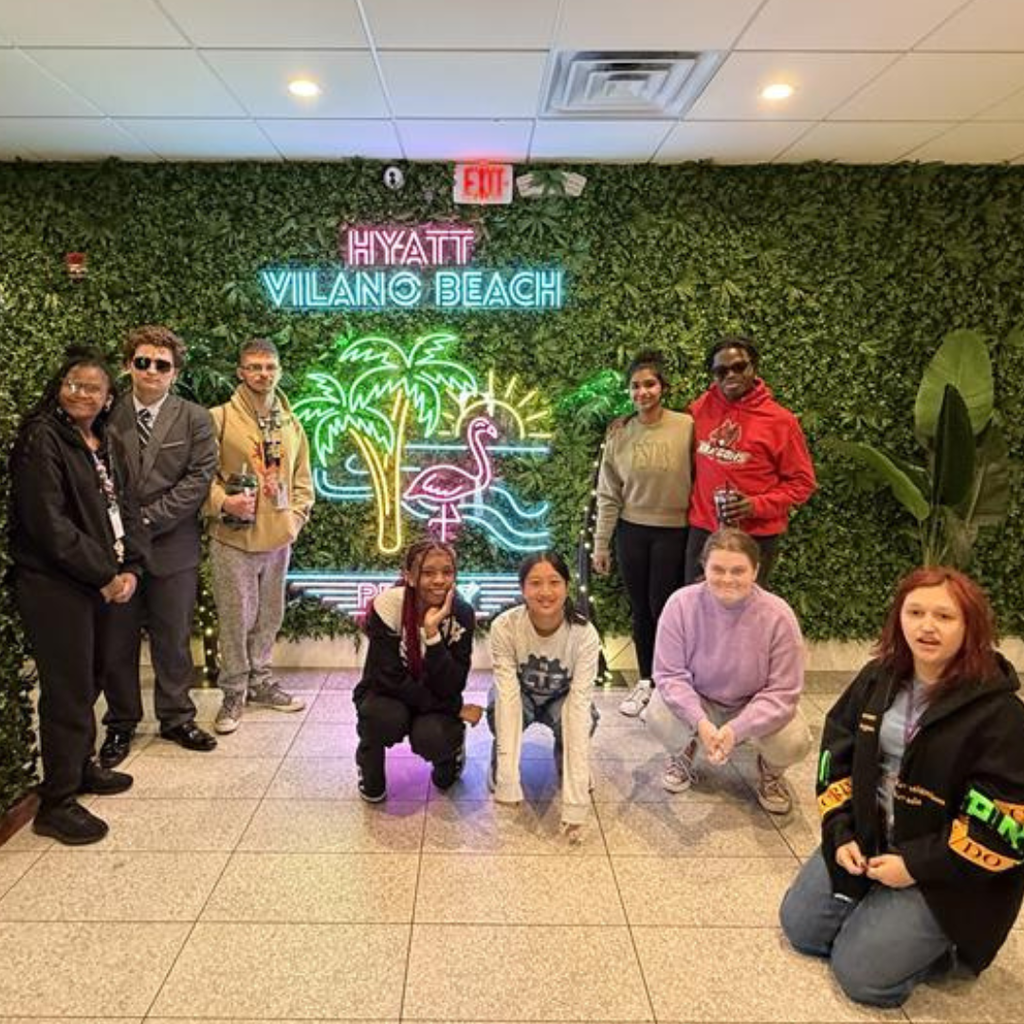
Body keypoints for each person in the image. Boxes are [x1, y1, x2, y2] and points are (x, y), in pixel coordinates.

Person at [780, 567, 1024, 1007]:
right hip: (871, 839)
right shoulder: (879, 677)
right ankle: (879, 904)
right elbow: (834, 755)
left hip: (946, 870)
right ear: (899, 619)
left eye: (945, 617)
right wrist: (841, 832)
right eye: (915, 612)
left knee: (862, 977)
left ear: (970, 626)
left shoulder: (1001, 714)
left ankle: (947, 947)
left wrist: (914, 865)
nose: (927, 626)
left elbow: (1005, 824)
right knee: (802, 930)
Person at [9, 349, 147, 844]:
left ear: (109, 399)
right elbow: (49, 524)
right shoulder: (42, 438)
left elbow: (125, 507)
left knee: (91, 677)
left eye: (93, 388)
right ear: (59, 385)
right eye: (74, 384)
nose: (81, 393)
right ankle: (58, 801)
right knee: (67, 689)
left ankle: (80, 767)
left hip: (102, 580)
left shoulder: (104, 441)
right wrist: (104, 575)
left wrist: (130, 565)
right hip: (57, 585)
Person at [99, 325, 218, 765]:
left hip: (173, 545)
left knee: (172, 638)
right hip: (114, 551)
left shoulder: (195, 418)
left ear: (175, 372)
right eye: (143, 362)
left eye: (161, 365)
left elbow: (198, 480)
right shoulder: (106, 414)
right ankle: (121, 723)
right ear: (129, 365)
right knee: (118, 641)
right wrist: (121, 526)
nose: (151, 370)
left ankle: (176, 717)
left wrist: (143, 519)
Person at [644, 527, 810, 814]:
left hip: (751, 704)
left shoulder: (778, 615)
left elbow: (784, 692)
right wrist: (700, 723)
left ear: (755, 571)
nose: (727, 579)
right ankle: (684, 751)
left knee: (794, 741)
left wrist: (738, 729)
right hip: (701, 700)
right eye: (718, 569)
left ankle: (770, 771)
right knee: (657, 713)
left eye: (738, 570)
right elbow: (669, 675)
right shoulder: (680, 605)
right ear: (704, 567)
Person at [206, 338, 314, 734]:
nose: (262, 374)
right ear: (240, 371)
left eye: (270, 367)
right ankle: (233, 690)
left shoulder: (291, 422)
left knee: (270, 614)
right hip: (233, 537)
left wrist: (296, 517)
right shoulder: (217, 418)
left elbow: (303, 477)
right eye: (254, 367)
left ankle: (261, 681)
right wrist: (222, 502)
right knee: (236, 616)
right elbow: (198, 477)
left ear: (280, 371)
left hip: (277, 536)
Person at [592, 351, 693, 718]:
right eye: (635, 386)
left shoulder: (687, 426)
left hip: (676, 533)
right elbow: (608, 493)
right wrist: (601, 543)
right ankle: (646, 681)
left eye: (649, 384)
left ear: (663, 387)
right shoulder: (620, 433)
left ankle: (671, 683)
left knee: (664, 609)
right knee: (640, 611)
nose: (642, 392)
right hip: (632, 532)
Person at [684, 336, 815, 588]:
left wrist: (755, 505)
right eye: (721, 371)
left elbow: (802, 483)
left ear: (754, 368)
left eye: (739, 367)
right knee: (696, 605)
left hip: (755, 535)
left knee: (744, 608)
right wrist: (629, 421)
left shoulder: (780, 421)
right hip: (704, 529)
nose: (730, 375)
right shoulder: (699, 409)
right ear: (713, 375)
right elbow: (663, 424)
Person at [489, 551, 601, 837]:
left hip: (560, 698)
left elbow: (578, 706)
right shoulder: (504, 626)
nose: (546, 592)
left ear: (566, 586)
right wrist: (507, 781)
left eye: (554, 582)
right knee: (498, 710)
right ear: (522, 588)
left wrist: (576, 802)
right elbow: (509, 698)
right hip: (520, 695)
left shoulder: (584, 634)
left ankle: (567, 762)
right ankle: (500, 759)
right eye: (535, 583)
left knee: (585, 717)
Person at [353, 539, 476, 802]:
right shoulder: (387, 606)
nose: (439, 580)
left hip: (434, 695)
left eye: (447, 572)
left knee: (434, 738)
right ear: (408, 576)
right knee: (380, 717)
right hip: (391, 694)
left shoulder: (462, 614)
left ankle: (450, 757)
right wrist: (452, 709)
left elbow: (452, 684)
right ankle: (369, 767)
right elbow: (386, 678)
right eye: (428, 572)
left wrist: (432, 634)